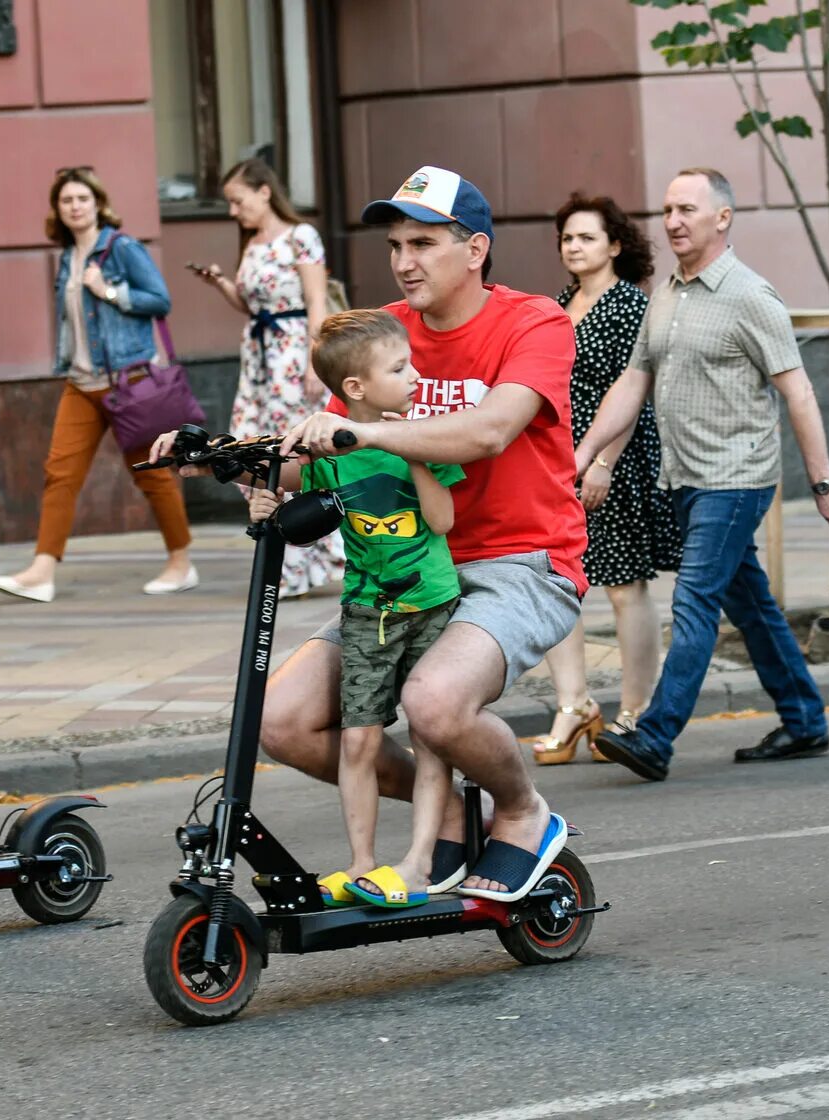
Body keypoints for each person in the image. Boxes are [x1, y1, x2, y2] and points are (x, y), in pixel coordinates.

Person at [162, 164, 585, 901]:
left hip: (520, 563)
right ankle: (453, 804)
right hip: (402, 567)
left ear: (476, 249)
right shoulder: (383, 334)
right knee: (285, 720)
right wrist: (230, 460)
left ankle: (521, 810)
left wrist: (364, 434)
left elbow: (490, 431)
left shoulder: (533, 323)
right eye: (395, 245)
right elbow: (328, 458)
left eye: (423, 243)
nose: (403, 260)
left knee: (434, 703)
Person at [575, 167, 829, 782]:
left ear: (722, 218)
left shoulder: (751, 296)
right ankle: (806, 720)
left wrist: (823, 482)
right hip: (684, 476)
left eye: (687, 211)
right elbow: (633, 381)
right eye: (668, 210)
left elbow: (799, 392)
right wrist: (587, 453)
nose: (673, 222)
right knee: (752, 607)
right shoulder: (667, 292)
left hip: (736, 478)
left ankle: (655, 735)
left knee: (695, 600)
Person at [249, 310, 465, 908]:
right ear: (355, 389)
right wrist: (268, 508)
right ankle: (361, 865)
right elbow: (307, 521)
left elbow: (444, 520)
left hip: (430, 604)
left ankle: (418, 863)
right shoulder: (329, 453)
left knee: (430, 737)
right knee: (358, 743)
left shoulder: (425, 434)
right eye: (400, 368)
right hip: (367, 611)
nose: (416, 375)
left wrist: (413, 447)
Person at [522, 194, 680, 766]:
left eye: (586, 237)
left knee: (623, 586)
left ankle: (635, 712)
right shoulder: (561, 303)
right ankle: (575, 704)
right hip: (557, 461)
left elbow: (631, 393)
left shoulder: (627, 306)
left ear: (615, 245)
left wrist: (603, 464)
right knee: (558, 583)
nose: (573, 246)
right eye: (567, 238)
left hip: (613, 459)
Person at [0, 168, 195, 602]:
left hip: (128, 382)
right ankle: (42, 572)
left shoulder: (122, 249)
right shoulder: (67, 257)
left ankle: (181, 563)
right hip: (81, 383)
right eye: (67, 201)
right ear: (58, 210)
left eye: (82, 198)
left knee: (153, 476)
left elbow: (161, 299)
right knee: (59, 474)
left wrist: (110, 292)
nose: (75, 206)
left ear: (98, 203)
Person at [191, 157, 346, 599]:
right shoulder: (253, 244)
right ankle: (301, 553)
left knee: (287, 454)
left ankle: (299, 565)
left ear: (264, 192)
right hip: (258, 360)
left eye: (237, 201)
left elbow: (317, 300)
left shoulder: (302, 237)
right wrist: (222, 284)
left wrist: (317, 359)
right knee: (247, 448)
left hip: (292, 357)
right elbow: (251, 304)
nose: (233, 211)